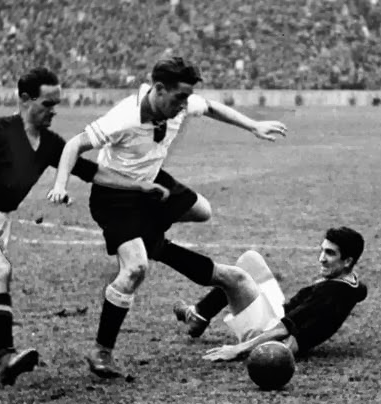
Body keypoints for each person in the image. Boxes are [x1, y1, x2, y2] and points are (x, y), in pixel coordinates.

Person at [0, 67, 167, 386]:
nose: (54, 111)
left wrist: (139, 185)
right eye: (47, 104)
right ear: (25, 99)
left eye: (56, 104)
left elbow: (90, 171)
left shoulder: (50, 143)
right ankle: (5, 357)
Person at [47, 56, 287, 378]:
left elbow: (211, 107)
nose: (184, 105)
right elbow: (75, 144)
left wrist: (253, 126)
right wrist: (60, 185)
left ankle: (151, 241)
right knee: (135, 268)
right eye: (179, 98)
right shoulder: (125, 117)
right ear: (158, 89)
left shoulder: (179, 104)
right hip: (115, 197)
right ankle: (102, 352)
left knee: (202, 211)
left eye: (187, 97)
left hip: (153, 183)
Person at [172, 227, 367, 361]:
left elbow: (283, 329)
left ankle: (166, 251)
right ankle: (199, 314)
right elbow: (361, 290)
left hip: (270, 335)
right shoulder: (351, 284)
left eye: (330, 253)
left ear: (348, 261)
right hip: (279, 313)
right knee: (251, 260)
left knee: (236, 278)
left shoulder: (330, 294)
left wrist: (238, 349)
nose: (321, 259)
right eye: (322, 250)